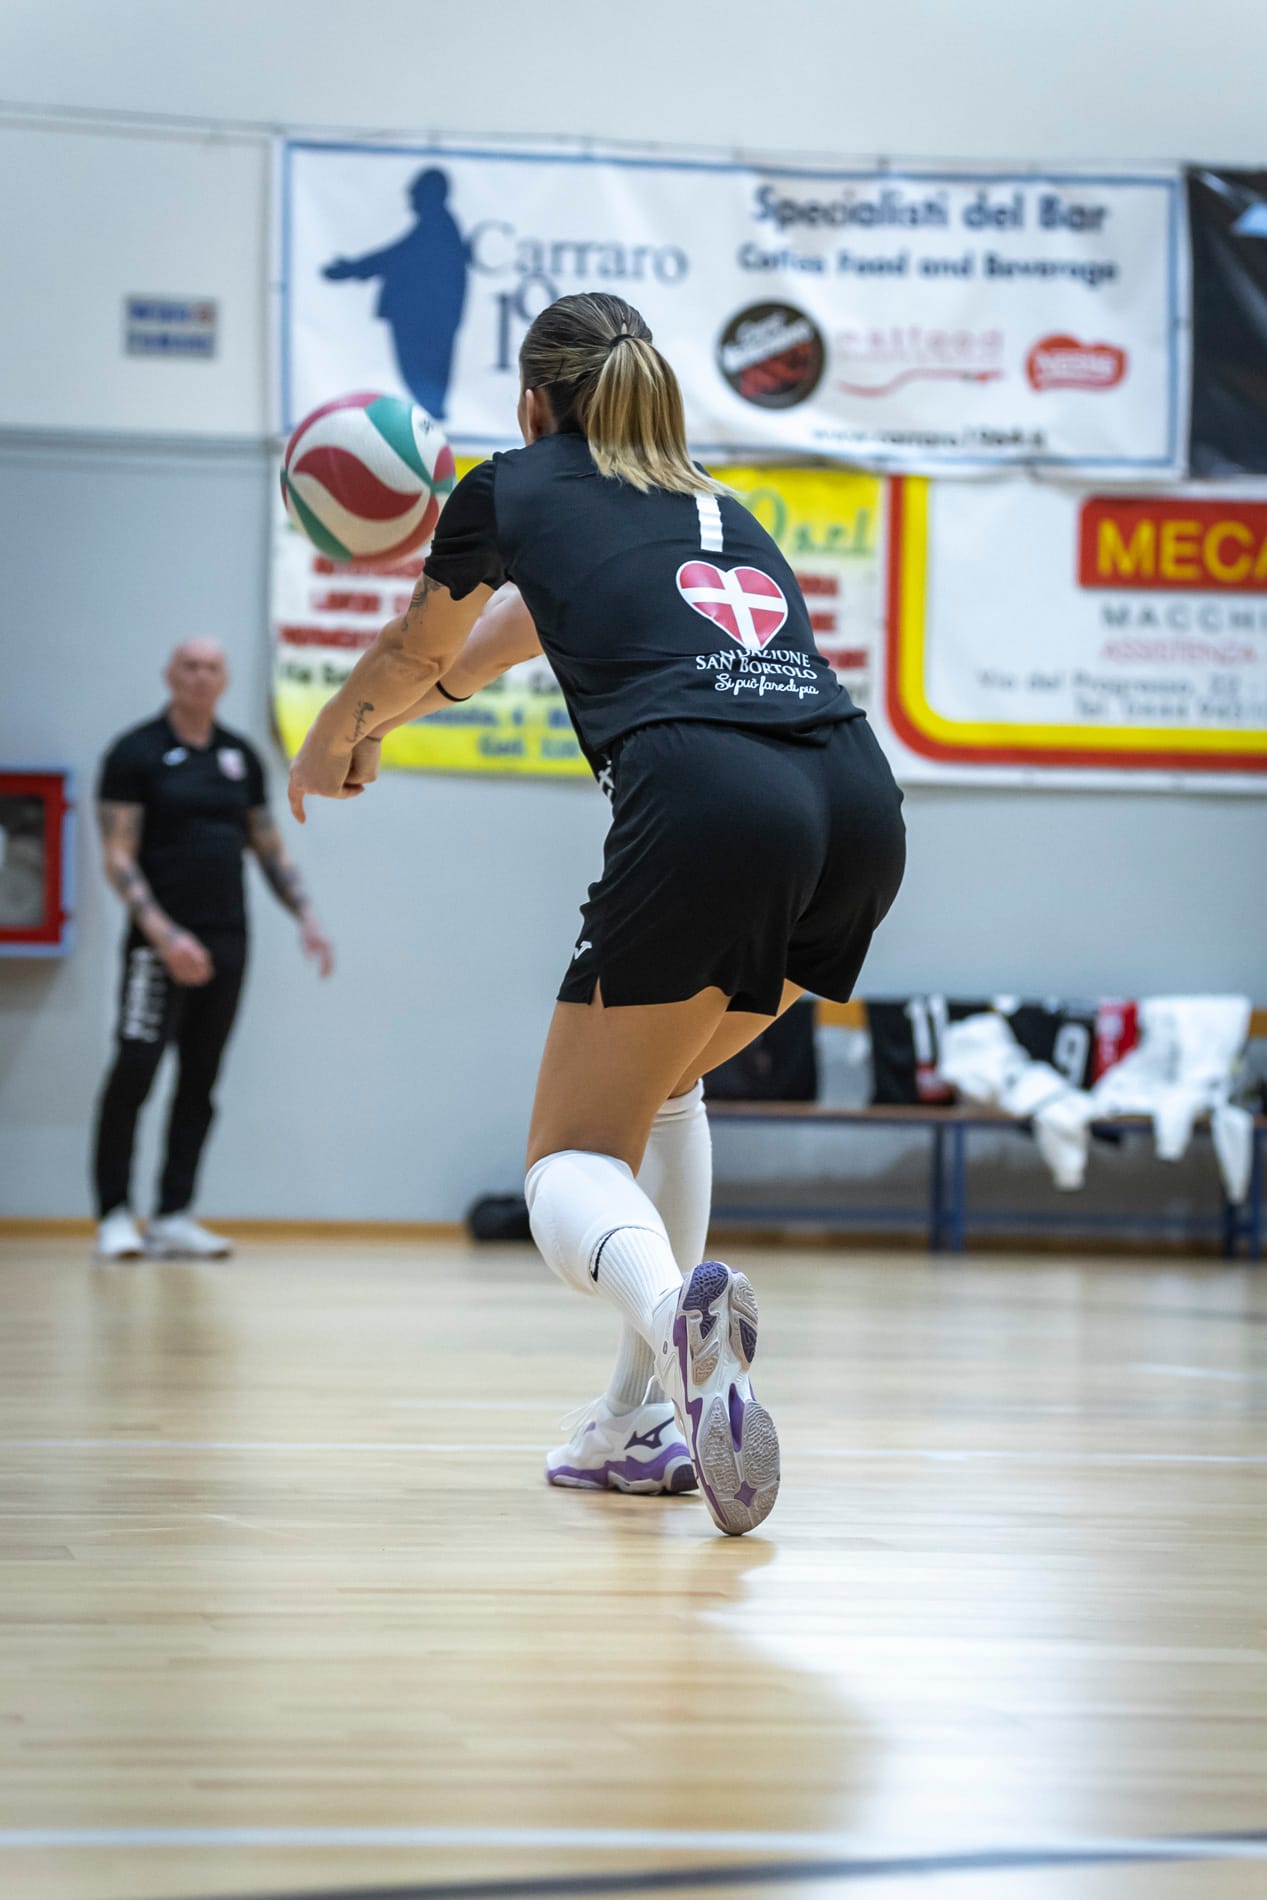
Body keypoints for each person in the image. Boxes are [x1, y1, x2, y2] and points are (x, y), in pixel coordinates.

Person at [288, 293, 905, 1536]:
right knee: (665, 1086)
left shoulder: (508, 487)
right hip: (853, 803)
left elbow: (417, 649)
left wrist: (331, 733)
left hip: (706, 797)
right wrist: (394, 722)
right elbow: (490, 648)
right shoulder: (715, 504)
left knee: (566, 1161)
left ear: (532, 404)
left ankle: (677, 1321)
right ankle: (638, 1420)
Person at [92, 640, 334, 1261]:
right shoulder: (135, 752)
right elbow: (118, 856)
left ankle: (173, 1215)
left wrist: (306, 916)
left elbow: (268, 847)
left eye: (212, 668)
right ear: (170, 675)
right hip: (159, 943)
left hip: (228, 939)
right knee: (136, 1069)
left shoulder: (239, 757)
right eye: (190, 666)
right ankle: (114, 1215)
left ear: (224, 680)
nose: (200, 677)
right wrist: (165, 936)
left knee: (201, 1079)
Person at [323, 166, 469, 421]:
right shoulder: (436, 226)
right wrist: (352, 269)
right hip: (421, 321)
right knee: (417, 379)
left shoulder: (437, 228)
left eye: (416, 191)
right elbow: (396, 256)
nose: (410, 195)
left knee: (422, 379)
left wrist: (351, 269)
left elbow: (395, 257)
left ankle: (426, 422)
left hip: (424, 323)